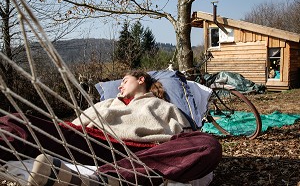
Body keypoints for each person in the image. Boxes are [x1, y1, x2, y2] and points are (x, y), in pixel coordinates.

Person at [0, 70, 222, 185]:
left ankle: (103, 180)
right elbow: (72, 127)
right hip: (91, 143)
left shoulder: (162, 105)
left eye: (125, 80)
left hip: (140, 154)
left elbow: (184, 137)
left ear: (141, 79)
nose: (119, 85)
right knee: (17, 121)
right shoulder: (105, 103)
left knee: (208, 144)